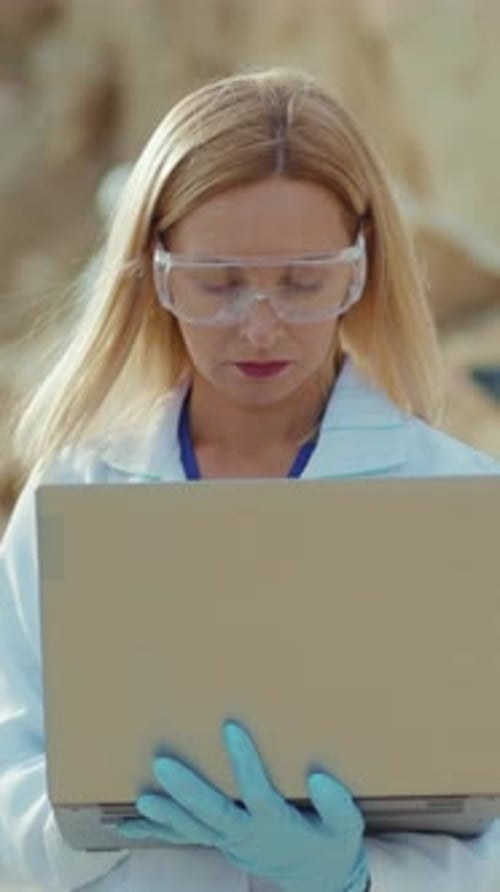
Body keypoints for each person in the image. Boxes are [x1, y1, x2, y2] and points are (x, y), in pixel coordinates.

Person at [1, 67, 500, 892]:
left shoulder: (460, 499)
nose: (260, 325)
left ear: (357, 270)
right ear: (155, 274)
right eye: (220, 283)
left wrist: (359, 876)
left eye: (302, 282)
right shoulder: (78, 492)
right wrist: (93, 823)